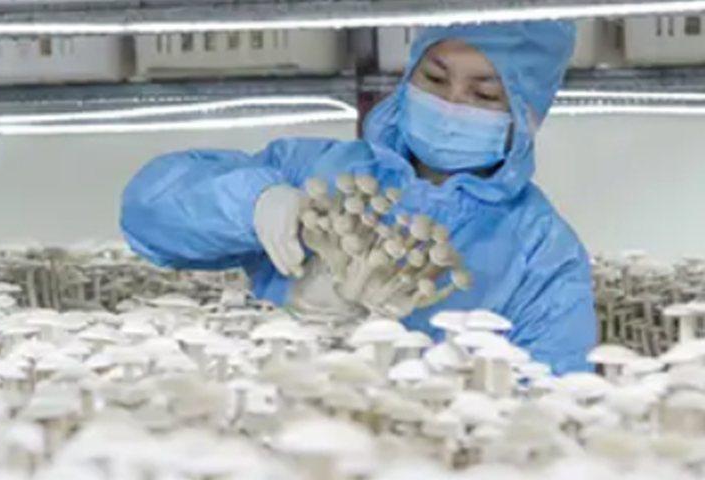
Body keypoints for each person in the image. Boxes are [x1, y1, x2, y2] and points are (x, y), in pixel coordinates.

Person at [121, 21, 596, 375]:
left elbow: (555, 397)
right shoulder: (316, 170)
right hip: (275, 408)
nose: (452, 104)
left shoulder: (541, 251)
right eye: (434, 79)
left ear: (525, 113)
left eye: (484, 94)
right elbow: (150, 208)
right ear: (408, 75)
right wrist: (254, 204)